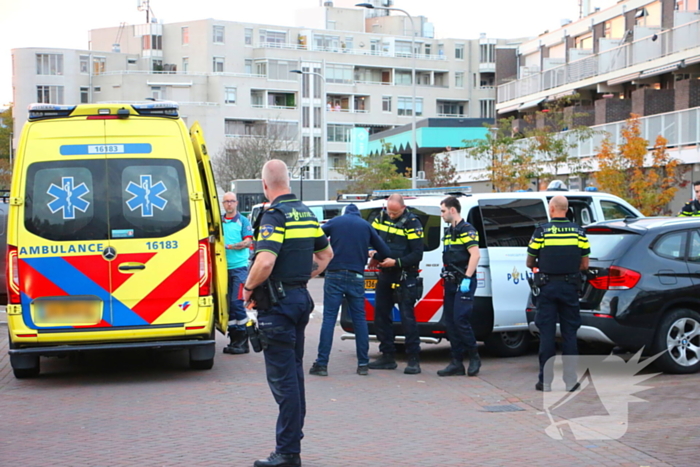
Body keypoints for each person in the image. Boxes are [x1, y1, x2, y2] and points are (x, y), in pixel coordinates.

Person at [243, 159, 333, 467]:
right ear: (288, 182)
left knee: (284, 382)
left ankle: (287, 452)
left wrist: (247, 288)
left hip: (278, 307)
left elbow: (265, 261)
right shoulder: (306, 213)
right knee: (294, 375)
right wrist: (302, 276)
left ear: (265, 185)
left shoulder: (275, 214)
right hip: (298, 300)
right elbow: (325, 255)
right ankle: (292, 441)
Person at [309, 203, 392, 377]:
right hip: (356, 276)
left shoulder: (336, 222)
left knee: (329, 319)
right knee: (359, 320)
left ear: (344, 212)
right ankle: (363, 364)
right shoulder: (365, 226)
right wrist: (372, 255)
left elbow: (315, 237)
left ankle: (322, 364)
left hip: (334, 274)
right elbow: (385, 251)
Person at [526, 195, 590, 392]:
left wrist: (543, 266)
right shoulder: (579, 232)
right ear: (567, 209)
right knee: (570, 333)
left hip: (547, 287)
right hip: (570, 286)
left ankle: (544, 382)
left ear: (552, 209)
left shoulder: (541, 232)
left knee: (546, 334)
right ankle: (570, 382)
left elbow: (529, 262)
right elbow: (585, 264)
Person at [367, 194, 424, 374]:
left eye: (395, 213)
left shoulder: (413, 223)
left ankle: (413, 359)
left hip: (405, 275)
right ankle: (387, 356)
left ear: (403, 207)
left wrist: (396, 262)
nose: (391, 216)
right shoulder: (380, 218)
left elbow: (417, 254)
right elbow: (370, 240)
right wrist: (373, 254)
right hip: (385, 274)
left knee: (407, 318)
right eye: (389, 212)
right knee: (381, 316)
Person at [437, 196, 482, 377]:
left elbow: (475, 255)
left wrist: (467, 278)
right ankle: (456, 362)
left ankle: (474, 357)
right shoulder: (449, 232)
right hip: (450, 281)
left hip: (464, 281)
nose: (441, 215)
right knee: (450, 322)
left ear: (452, 210)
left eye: (443, 211)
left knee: (460, 320)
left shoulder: (467, 230)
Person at [221, 192, 253, 354]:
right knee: (228, 306)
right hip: (222, 268)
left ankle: (243, 340)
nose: (229, 204)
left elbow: (248, 241)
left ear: (236, 203)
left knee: (237, 303)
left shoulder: (242, 220)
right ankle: (234, 340)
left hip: (239, 268)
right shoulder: (219, 221)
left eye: (232, 201)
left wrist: (230, 247)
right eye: (226, 201)